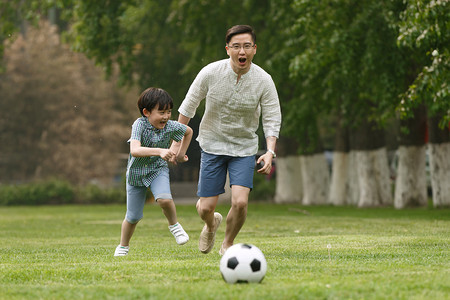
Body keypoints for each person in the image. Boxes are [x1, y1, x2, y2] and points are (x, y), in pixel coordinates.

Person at [173, 25, 281, 255]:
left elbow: (272, 118)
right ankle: (211, 224)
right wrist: (175, 142)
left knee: (240, 202)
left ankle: (228, 244)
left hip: (243, 148)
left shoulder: (264, 80)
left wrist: (270, 151)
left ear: (254, 49)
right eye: (236, 46)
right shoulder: (210, 72)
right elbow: (188, 106)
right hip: (212, 144)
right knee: (205, 208)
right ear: (227, 49)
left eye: (247, 46)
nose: (242, 51)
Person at [114, 87, 193, 256]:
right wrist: (160, 151)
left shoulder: (170, 126)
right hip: (136, 173)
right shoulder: (139, 125)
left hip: (157, 169)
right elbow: (135, 150)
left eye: (169, 112)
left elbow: (188, 132)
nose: (166, 116)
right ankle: (123, 246)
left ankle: (174, 226)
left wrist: (180, 155)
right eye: (161, 112)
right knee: (133, 217)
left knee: (164, 200)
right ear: (146, 112)